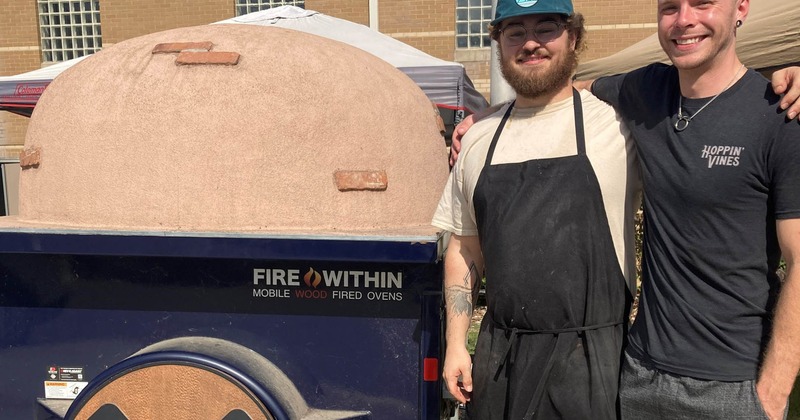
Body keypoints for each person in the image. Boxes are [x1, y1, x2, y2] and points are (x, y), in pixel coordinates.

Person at [451, 1, 800, 418]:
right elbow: (561, 87)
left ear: (741, 6)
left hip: (731, 386)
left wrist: (771, 396)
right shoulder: (647, 93)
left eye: (702, 3)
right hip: (638, 376)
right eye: (670, 7)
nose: (685, 20)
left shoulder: (779, 114)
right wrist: (491, 116)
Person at [432, 0, 641, 418]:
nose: (530, 43)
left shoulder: (619, 126)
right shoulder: (478, 139)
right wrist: (457, 343)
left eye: (546, 28)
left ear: (574, 37)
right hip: (500, 361)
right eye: (515, 32)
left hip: (595, 365)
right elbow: (465, 248)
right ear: (499, 43)